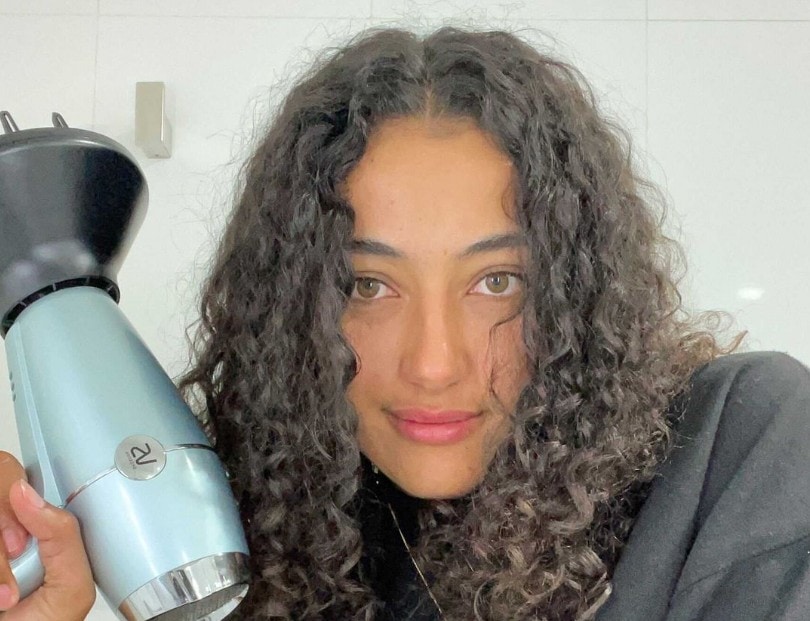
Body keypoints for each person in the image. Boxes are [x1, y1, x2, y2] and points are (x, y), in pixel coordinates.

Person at [1, 26, 809, 621]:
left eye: (498, 282)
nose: (432, 363)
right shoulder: (268, 522)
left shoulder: (740, 444)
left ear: (580, 291)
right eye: (368, 284)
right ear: (296, 309)